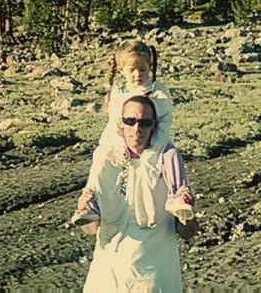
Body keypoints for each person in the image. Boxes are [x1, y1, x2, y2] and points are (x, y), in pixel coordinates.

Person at [79, 95, 197, 292]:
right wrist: (84, 206)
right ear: (120, 123)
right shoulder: (105, 162)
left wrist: (187, 216)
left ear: (154, 126)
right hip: (109, 275)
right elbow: (91, 228)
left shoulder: (167, 162)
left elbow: (187, 232)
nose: (137, 129)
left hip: (154, 277)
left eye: (144, 122)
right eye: (130, 121)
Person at [71, 39, 190, 227]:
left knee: (172, 155)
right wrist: (120, 148)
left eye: (142, 69)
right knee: (101, 156)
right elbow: (115, 125)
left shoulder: (157, 92)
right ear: (121, 71)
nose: (138, 75)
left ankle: (178, 195)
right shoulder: (118, 94)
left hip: (154, 141)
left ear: (149, 68)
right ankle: (90, 199)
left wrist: (152, 149)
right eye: (132, 70)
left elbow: (164, 123)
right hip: (120, 143)